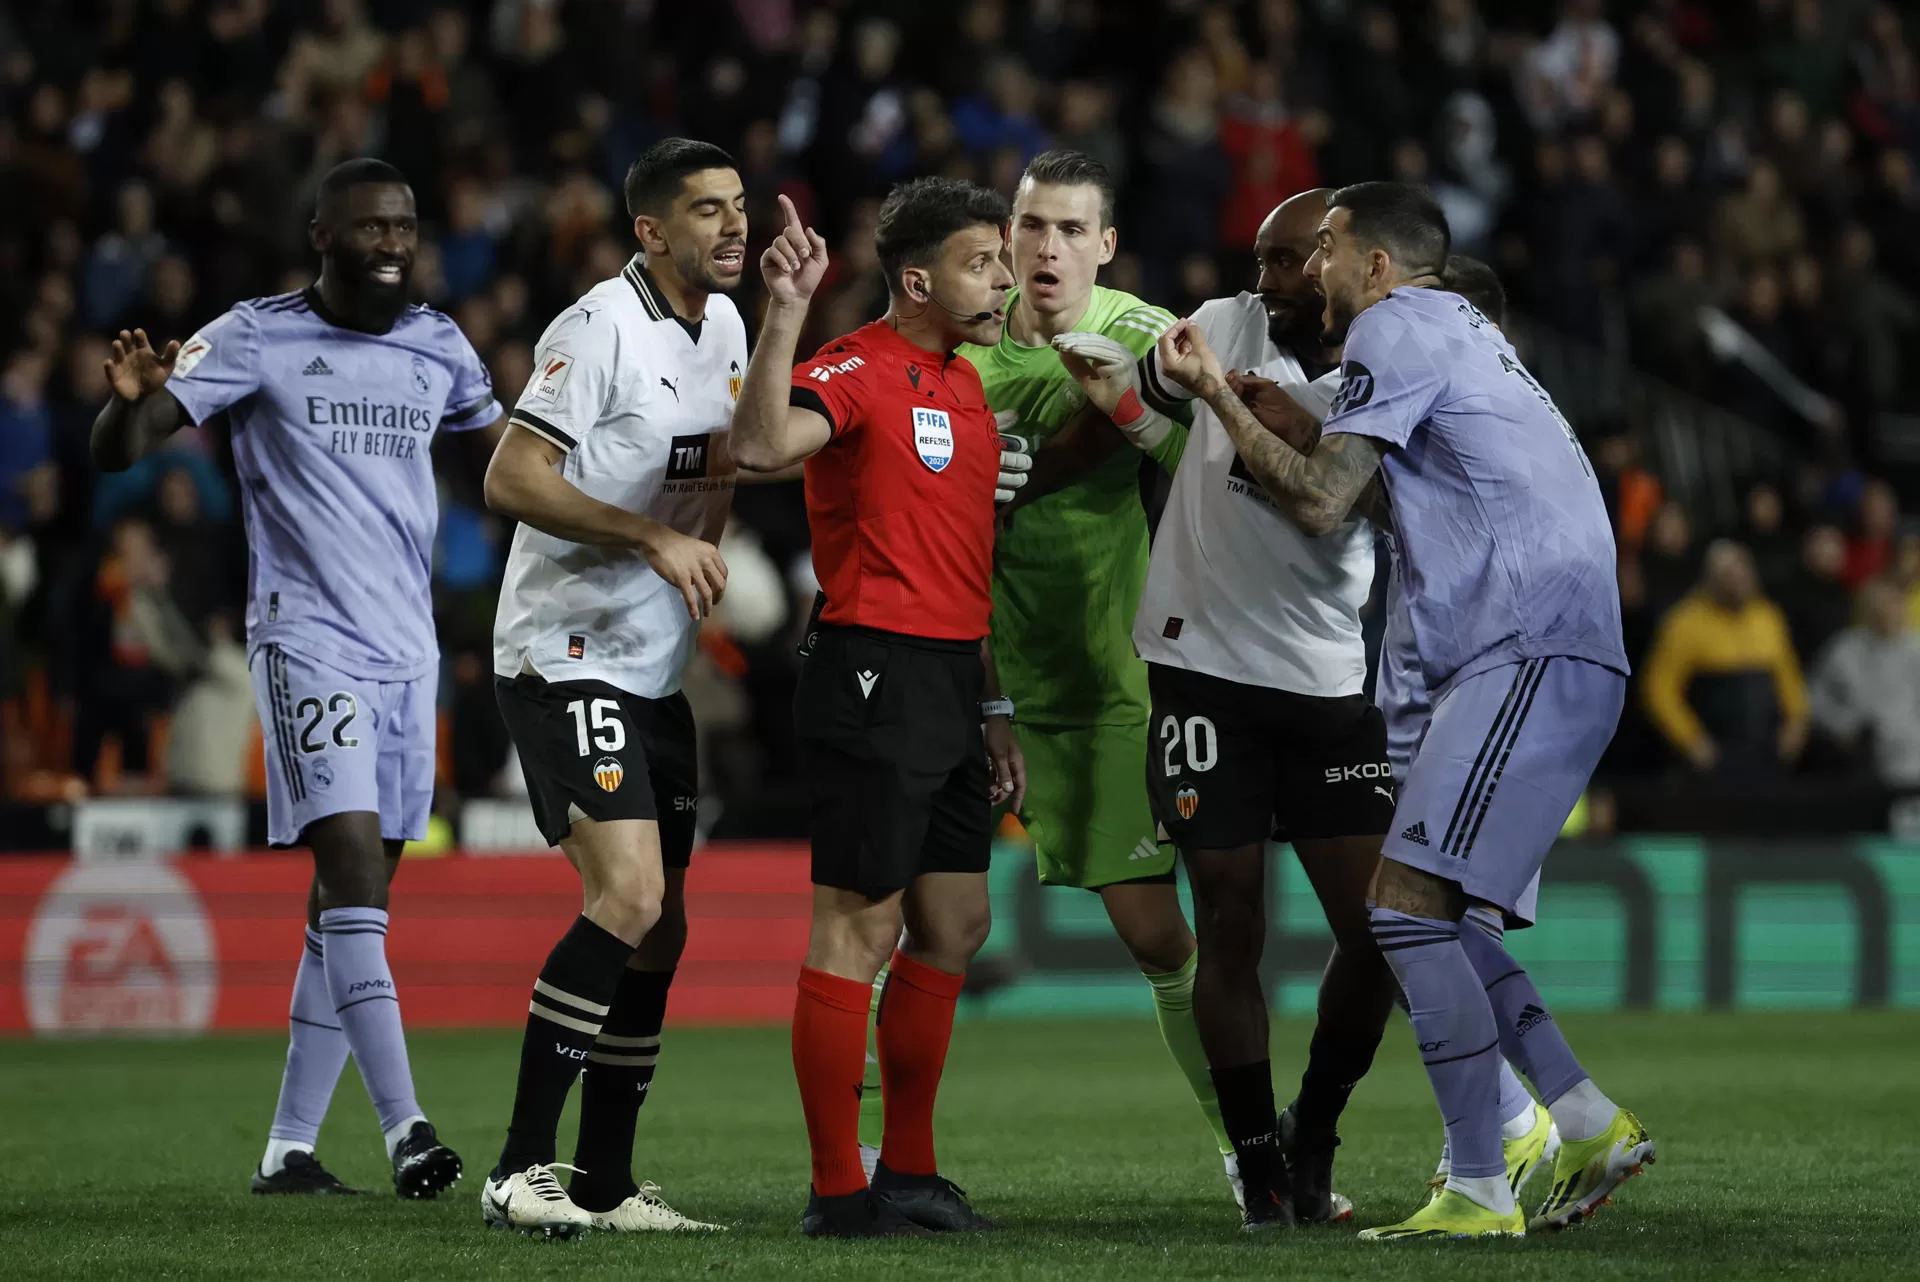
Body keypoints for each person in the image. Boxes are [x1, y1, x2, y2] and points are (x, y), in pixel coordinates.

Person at [1149, 180, 1651, 1239]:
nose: (1312, 267)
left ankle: (1481, 1177)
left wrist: (1222, 399)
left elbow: (1322, 501)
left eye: (1325, 247)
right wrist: (1305, 414)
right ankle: (1579, 1116)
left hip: (1525, 641)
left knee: (1405, 907)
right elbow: (1392, 488)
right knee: (1426, 906)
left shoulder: (1392, 324)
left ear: (1376, 265)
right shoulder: (1453, 327)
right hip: (1541, 645)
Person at [90, 158, 498, 1198]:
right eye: (369, 227)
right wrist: (128, 407)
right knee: (355, 873)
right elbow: (123, 445)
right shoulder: (256, 334)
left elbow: (508, 468)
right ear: (321, 234)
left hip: (408, 651)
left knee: (351, 902)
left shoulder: (438, 345)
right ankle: (408, 1129)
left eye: (404, 224)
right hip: (307, 637)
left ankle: (288, 1149)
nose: (393, 242)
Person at [1051, 186, 1397, 1231]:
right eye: (1263, 259)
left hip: (1331, 683)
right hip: (1203, 676)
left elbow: (1331, 501)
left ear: (1349, 264)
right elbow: (1134, 422)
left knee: (1379, 934)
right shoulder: (1221, 326)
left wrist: (1225, 400)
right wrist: (1017, 482)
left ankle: (1315, 1128)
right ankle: (1259, 1169)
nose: (1271, 280)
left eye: (1292, 260)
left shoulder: (1394, 374)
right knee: (1230, 924)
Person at [730, 180, 1023, 1238]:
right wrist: (785, 311)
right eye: (982, 261)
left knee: (953, 923)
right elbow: (759, 451)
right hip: (870, 669)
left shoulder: (968, 384)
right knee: (859, 924)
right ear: (917, 279)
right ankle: (837, 1190)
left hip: (951, 678)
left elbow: (967, 555)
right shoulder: (851, 368)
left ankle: (906, 1170)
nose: (1002, 277)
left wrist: (990, 698)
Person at [956, 149, 1244, 1200]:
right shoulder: (958, 344)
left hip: (1104, 682)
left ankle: (1242, 1145)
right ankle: (860, 1170)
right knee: (904, 923)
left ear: (1106, 246)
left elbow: (1214, 468)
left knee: (1158, 936)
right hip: (964, 676)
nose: (1046, 249)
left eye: (1072, 231)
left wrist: (1130, 404)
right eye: (1032, 227)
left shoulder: (1137, 335)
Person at [478, 138, 744, 1238]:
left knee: (663, 927)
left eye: (739, 207)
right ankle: (517, 1167)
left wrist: (703, 550)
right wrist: (649, 539)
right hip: (563, 652)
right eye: (705, 210)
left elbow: (715, 467)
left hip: (652, 669)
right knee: (627, 896)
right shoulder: (598, 328)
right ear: (650, 231)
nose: (731, 226)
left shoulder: (724, 325)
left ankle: (605, 1182)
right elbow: (511, 475)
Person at [1641, 540, 1809, 780]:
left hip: (1767, 751)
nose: (1737, 582)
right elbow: (1658, 690)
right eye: (1729, 575)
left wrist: (1796, 724)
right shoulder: (1684, 623)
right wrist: (1692, 740)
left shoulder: (1768, 618)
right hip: (1715, 755)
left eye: (1743, 573)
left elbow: (1789, 679)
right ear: (1710, 578)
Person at [1808, 577, 1920, 788]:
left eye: (1892, 604)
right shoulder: (1844, 648)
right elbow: (1814, 697)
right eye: (1878, 607)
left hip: (1911, 759)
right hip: (1856, 758)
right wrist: (1840, 725)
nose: (1886, 612)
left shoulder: (1916, 648)